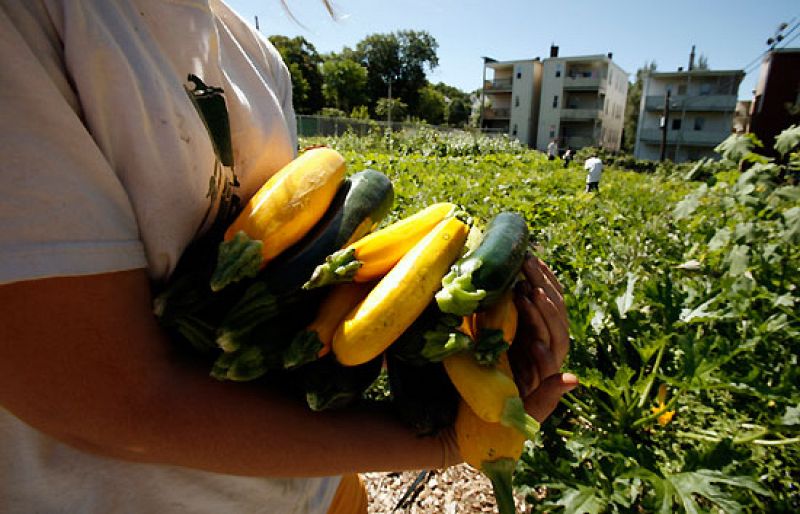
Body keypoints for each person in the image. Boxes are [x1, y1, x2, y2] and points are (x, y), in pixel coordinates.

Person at [0, 2, 577, 513]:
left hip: (324, 492)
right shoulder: (33, 24)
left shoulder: (255, 57)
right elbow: (115, 402)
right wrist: (443, 443)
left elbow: (308, 279)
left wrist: (474, 339)